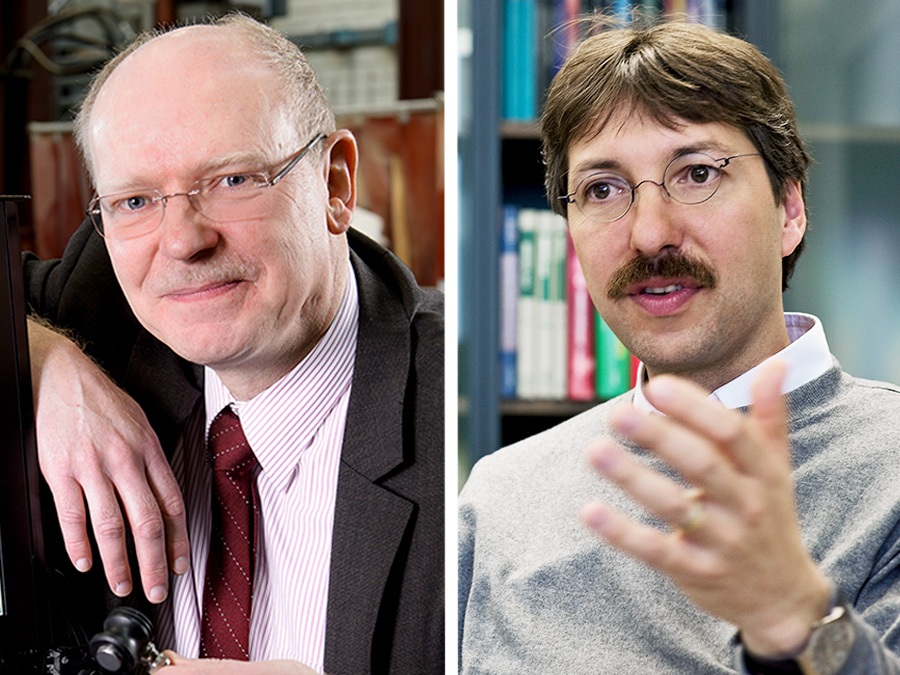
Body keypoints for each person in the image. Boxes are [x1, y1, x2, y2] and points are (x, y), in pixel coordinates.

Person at [458, 17, 900, 675]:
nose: (649, 233)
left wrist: (805, 620)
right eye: (602, 189)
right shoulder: (498, 498)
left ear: (789, 210)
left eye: (697, 173)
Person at [25, 13, 443, 674]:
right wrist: (45, 361)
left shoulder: (457, 417)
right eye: (135, 201)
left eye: (232, 180)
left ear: (334, 184)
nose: (183, 240)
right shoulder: (94, 310)